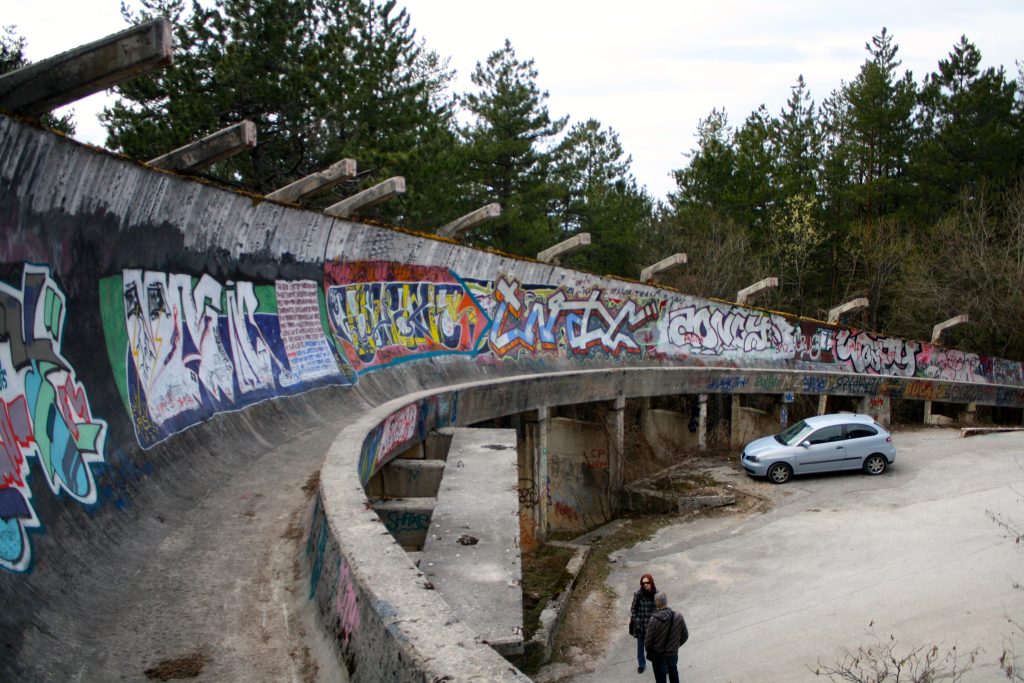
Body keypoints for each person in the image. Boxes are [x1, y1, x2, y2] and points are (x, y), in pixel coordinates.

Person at [643, 591, 688, 683]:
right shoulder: (678, 616)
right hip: (673, 654)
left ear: (658, 603)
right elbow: (685, 636)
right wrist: (674, 646)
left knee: (660, 679)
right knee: (674, 673)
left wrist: (651, 651)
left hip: (658, 656)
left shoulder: (653, 620)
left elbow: (648, 642)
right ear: (666, 602)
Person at [630, 574, 657, 673]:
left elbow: (660, 609)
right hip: (641, 626)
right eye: (643, 583)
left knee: (656, 647)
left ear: (651, 582)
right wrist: (637, 620)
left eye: (647, 582)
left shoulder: (656, 594)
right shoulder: (638, 594)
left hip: (652, 626)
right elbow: (633, 609)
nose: (645, 585)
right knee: (640, 647)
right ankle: (641, 664)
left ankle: (661, 665)